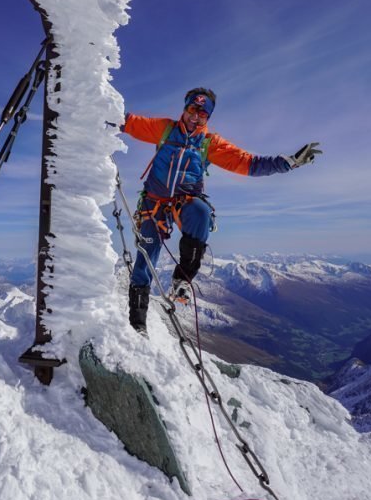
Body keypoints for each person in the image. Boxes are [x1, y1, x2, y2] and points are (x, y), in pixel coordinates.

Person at [120, 87, 321, 333]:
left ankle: (182, 279)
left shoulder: (209, 143)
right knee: (145, 259)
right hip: (154, 203)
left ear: (208, 118)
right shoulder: (164, 129)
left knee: (201, 213)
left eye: (202, 114)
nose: (196, 117)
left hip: (186, 201)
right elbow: (127, 121)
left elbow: (248, 163)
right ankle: (137, 324)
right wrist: (94, 106)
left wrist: (287, 163)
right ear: (185, 108)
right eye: (192, 109)